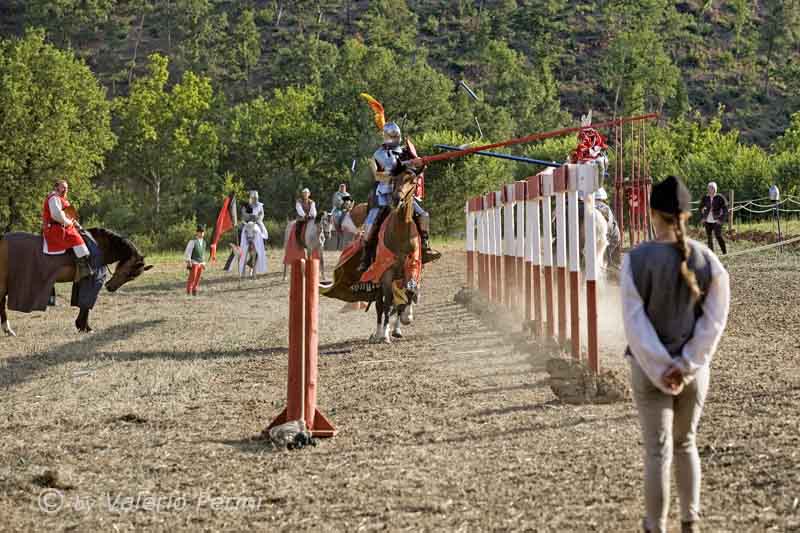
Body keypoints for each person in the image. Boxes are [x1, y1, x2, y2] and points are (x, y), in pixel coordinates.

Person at [621, 176, 730, 533]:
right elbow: (713, 323)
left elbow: (635, 325)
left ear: (652, 211)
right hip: (694, 373)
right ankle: (690, 521)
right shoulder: (709, 260)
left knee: (657, 451)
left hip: (648, 371)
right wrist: (685, 366)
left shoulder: (635, 260)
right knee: (686, 444)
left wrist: (662, 368)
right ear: (687, 214)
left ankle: (655, 526)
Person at [359, 122, 439, 272]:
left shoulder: (405, 151)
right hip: (385, 193)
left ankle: (425, 245)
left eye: (397, 136)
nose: (396, 139)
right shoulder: (378, 155)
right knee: (371, 224)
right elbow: (378, 175)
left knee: (423, 215)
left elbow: (415, 171)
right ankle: (366, 256)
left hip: (404, 191)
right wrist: (403, 167)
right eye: (393, 136)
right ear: (386, 137)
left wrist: (421, 163)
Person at [42, 179, 93, 280]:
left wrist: (79, 227)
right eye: (63, 187)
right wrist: (69, 223)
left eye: (67, 187)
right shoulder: (54, 198)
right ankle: (83, 270)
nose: (65, 189)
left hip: (64, 227)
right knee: (77, 240)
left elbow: (71, 216)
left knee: (81, 235)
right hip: (55, 228)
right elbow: (56, 215)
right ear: (56, 187)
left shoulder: (64, 200)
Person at [699, 182, 727, 255]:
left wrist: (720, 220)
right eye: (709, 188)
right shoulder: (705, 198)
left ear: (715, 189)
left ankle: (724, 252)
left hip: (717, 220)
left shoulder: (720, 198)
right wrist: (703, 217)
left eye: (711, 188)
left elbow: (725, 210)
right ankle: (712, 254)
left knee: (718, 236)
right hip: (707, 220)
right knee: (709, 237)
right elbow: (700, 208)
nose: (710, 190)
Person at [184, 225, 208, 296]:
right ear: (197, 233)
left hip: (200, 262)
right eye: (200, 232)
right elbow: (188, 252)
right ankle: (189, 290)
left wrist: (203, 263)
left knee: (198, 277)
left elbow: (203, 253)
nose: (202, 233)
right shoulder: (193, 241)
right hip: (194, 261)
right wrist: (188, 261)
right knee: (193, 277)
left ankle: (195, 289)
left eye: (203, 232)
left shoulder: (204, 242)